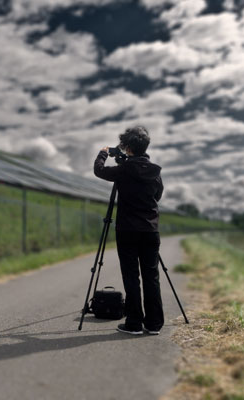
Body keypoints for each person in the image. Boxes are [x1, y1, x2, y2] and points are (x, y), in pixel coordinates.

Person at [94, 125, 164, 335]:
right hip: (151, 230)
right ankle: (154, 324)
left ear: (127, 147)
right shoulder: (155, 172)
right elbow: (157, 196)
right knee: (151, 276)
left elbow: (99, 170)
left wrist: (103, 153)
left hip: (128, 230)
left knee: (131, 276)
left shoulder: (124, 170)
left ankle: (134, 323)